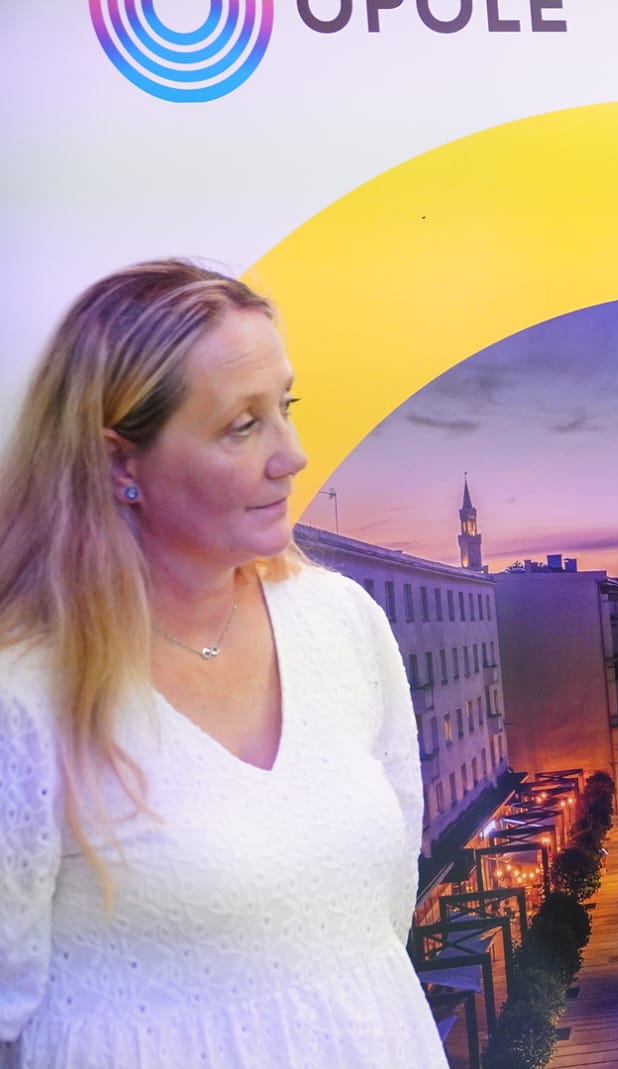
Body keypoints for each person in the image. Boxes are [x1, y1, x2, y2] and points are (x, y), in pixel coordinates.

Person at [0, 260, 448, 1068]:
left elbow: (383, 913)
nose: (293, 455)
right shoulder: (26, 696)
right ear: (119, 463)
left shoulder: (343, 623)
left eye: (286, 407)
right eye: (243, 425)